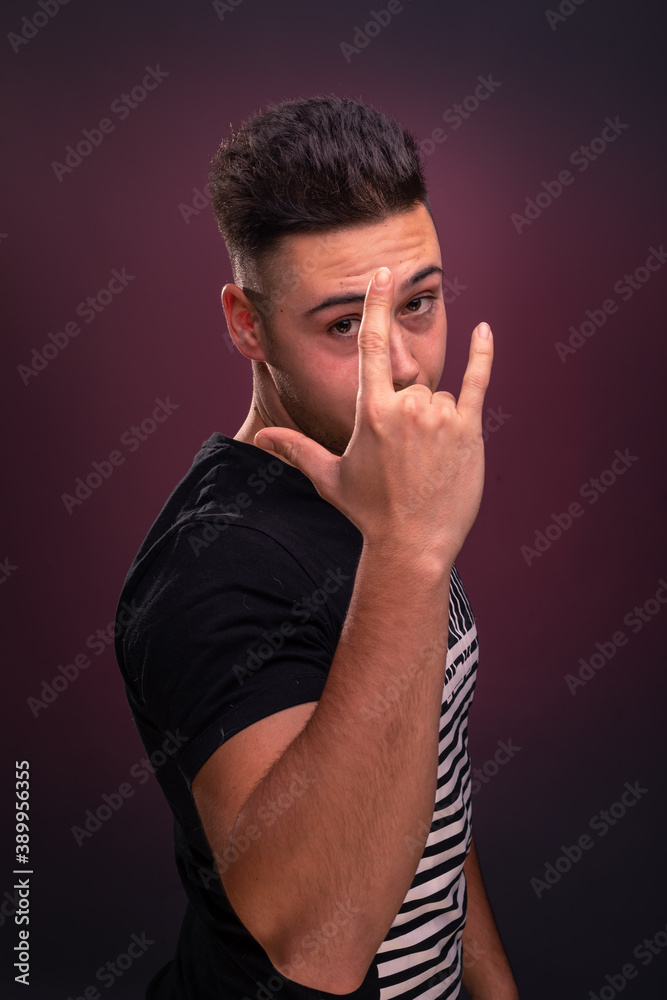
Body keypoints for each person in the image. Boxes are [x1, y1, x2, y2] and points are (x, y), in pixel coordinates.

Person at [114, 94, 519, 1000]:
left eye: (420, 303)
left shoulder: (384, 485)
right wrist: (413, 550)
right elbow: (316, 945)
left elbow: (430, 785)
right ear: (246, 324)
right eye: (345, 326)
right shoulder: (207, 567)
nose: (406, 366)